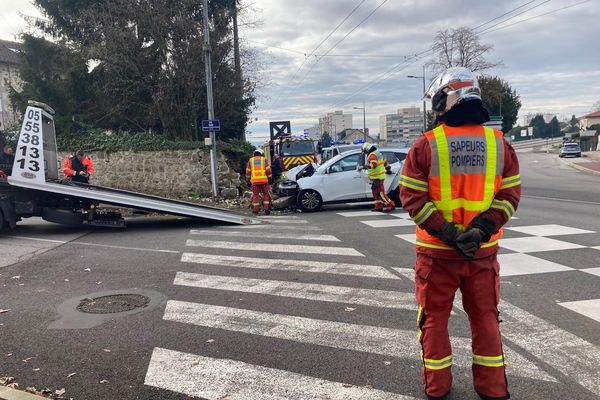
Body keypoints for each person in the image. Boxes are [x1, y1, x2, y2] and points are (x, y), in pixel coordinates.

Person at [399, 67, 520, 400]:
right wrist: (480, 230)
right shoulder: (499, 145)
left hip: (438, 254)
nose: (437, 106)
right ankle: (493, 389)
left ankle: (438, 388)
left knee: (434, 319)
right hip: (482, 254)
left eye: (439, 99)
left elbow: (411, 197)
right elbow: (509, 197)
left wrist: (449, 233)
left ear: (449, 96)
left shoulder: (427, 145)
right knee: (485, 318)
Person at [359, 142, 395, 212]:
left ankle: (390, 205)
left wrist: (363, 167)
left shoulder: (372, 155)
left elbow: (374, 165)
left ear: (367, 149)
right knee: (375, 193)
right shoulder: (378, 153)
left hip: (377, 178)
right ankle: (378, 206)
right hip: (377, 178)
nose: (365, 153)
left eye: (365, 151)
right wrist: (388, 170)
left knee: (380, 193)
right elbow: (385, 163)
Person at [245, 148, 272, 215]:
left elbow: (248, 172)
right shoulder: (264, 160)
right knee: (266, 194)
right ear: (261, 154)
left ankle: (255, 211)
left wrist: (248, 180)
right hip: (264, 181)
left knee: (255, 195)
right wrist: (270, 178)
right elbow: (268, 171)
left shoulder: (251, 160)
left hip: (254, 182)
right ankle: (266, 209)